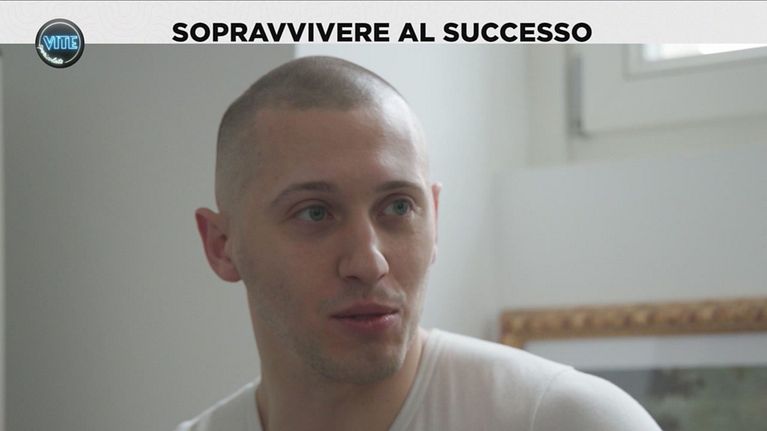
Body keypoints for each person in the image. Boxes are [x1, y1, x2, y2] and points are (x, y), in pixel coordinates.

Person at [178, 56, 661, 431]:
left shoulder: (568, 419)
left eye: (398, 207)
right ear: (222, 246)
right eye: (314, 213)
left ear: (435, 219)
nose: (369, 262)